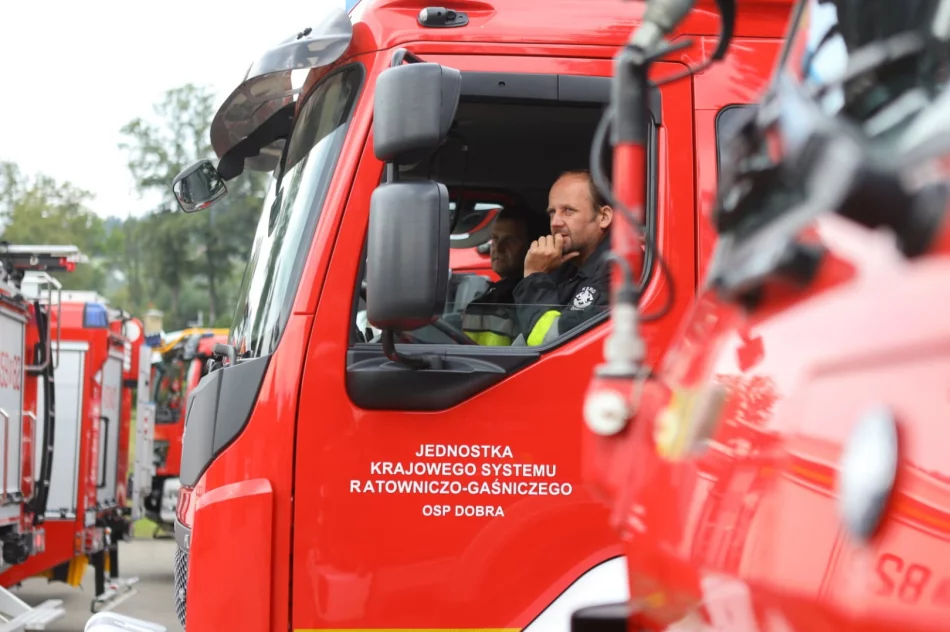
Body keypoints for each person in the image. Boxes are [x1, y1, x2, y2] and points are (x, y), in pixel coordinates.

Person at [513, 170, 613, 346]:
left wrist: (534, 276)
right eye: (552, 212)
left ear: (603, 217)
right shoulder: (563, 267)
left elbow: (549, 343)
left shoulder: (616, 270)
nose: (555, 222)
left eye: (568, 211)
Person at [462, 205, 548, 345]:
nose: (498, 248)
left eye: (510, 241)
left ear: (533, 247)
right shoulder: (489, 299)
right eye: (495, 239)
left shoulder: (529, 306)